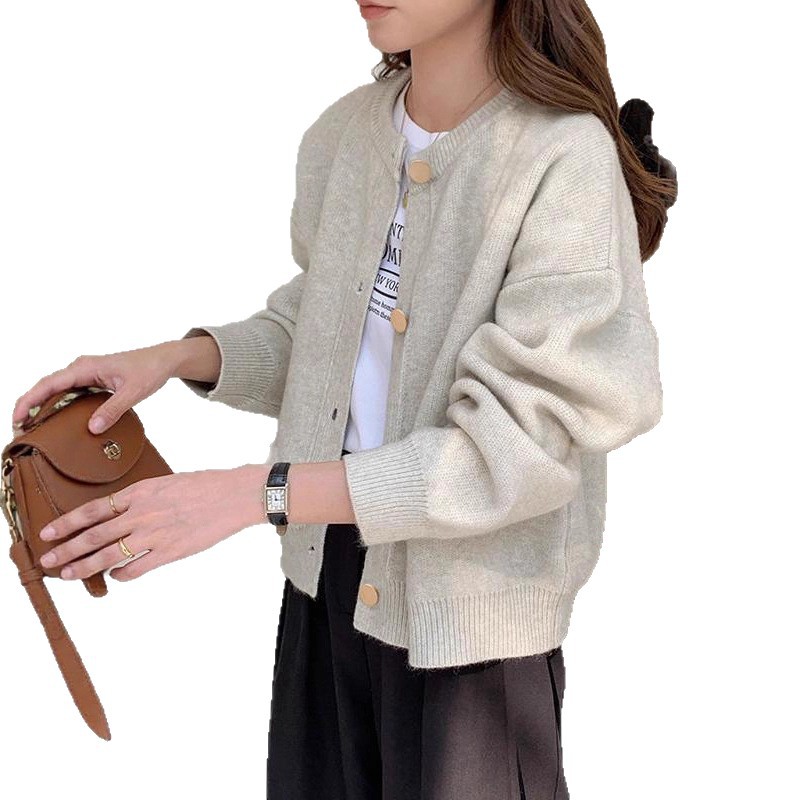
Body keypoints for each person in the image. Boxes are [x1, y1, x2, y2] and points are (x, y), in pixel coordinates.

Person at [11, 1, 678, 797]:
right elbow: (332, 333)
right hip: (324, 593)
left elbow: (514, 450)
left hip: (471, 637)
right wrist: (179, 357)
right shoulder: (348, 134)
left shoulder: (562, 159)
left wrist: (254, 495)